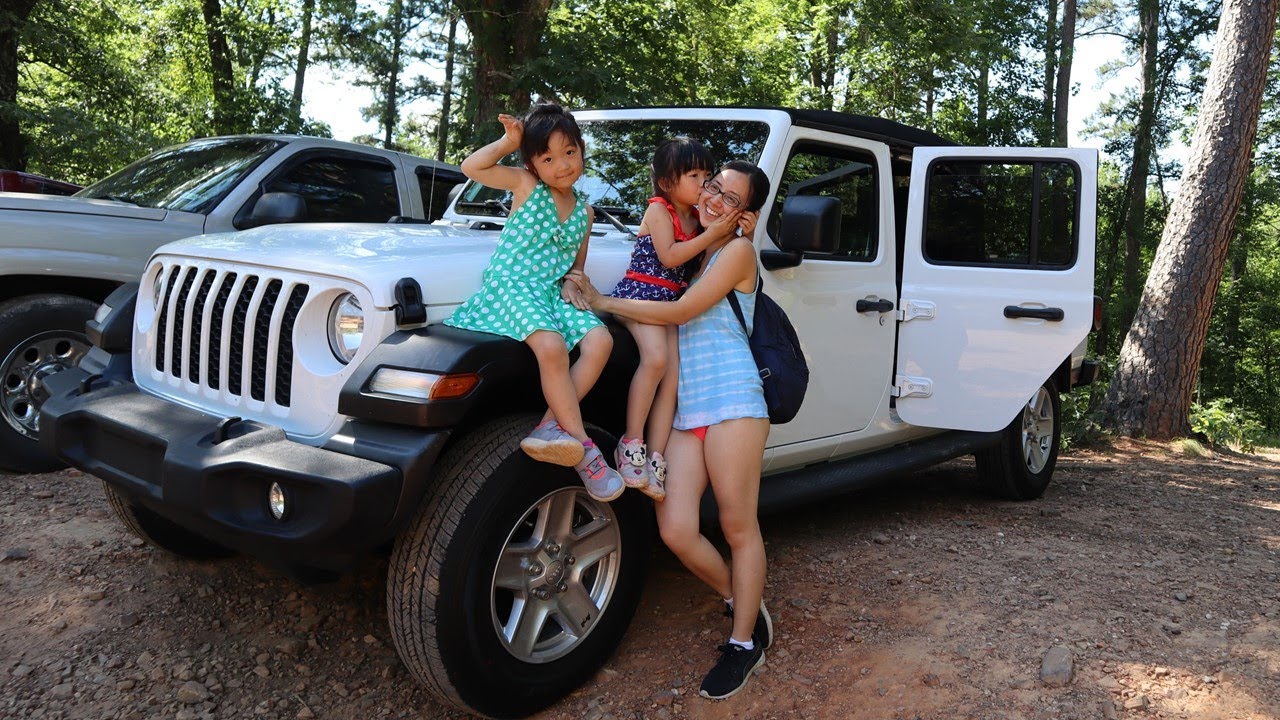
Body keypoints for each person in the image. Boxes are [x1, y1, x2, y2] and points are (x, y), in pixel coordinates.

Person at [568, 161, 775, 700]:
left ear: (746, 214)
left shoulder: (736, 253)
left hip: (732, 400)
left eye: (729, 198)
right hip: (688, 411)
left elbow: (679, 311)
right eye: (712, 187)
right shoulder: (693, 246)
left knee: (736, 525)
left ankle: (743, 643)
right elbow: (657, 248)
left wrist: (603, 301)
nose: (713, 198)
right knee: (676, 530)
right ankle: (742, 600)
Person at [445, 103, 624, 502]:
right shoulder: (527, 186)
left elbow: (575, 267)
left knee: (601, 341)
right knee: (551, 344)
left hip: (548, 291)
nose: (562, 165)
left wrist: (574, 285)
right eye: (548, 158)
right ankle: (583, 448)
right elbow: (472, 168)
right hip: (511, 284)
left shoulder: (586, 212)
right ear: (532, 163)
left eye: (570, 153)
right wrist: (508, 142)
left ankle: (549, 426)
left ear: (581, 150)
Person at [608, 137, 753, 502]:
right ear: (666, 182)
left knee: (672, 378)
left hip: (666, 305)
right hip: (639, 298)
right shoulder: (659, 210)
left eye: (708, 175)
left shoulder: (697, 220)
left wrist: (740, 232)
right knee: (656, 360)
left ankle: (655, 459)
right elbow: (671, 257)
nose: (704, 184)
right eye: (694, 175)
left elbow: (718, 259)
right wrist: (715, 233)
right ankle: (631, 443)